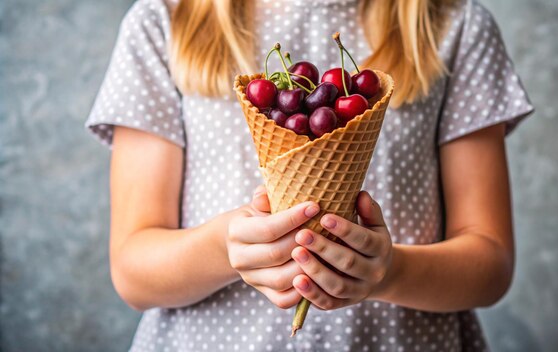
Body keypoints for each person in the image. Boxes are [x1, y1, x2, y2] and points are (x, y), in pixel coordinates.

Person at [86, 0, 534, 350]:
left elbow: (490, 264)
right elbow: (133, 271)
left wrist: (390, 272)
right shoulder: (165, 22)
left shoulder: (452, 25)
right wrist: (226, 248)